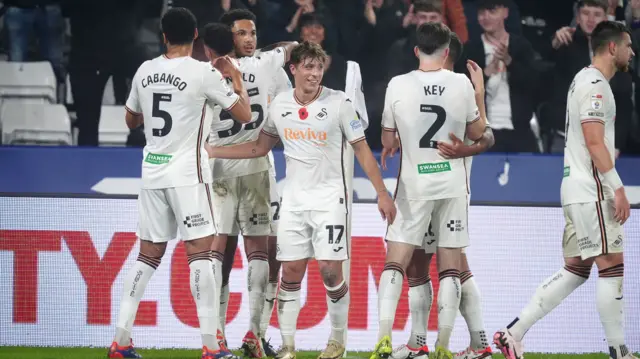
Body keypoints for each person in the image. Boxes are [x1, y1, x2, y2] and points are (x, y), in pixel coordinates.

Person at [207, 41, 396, 359]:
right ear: (292, 69)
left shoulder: (339, 104)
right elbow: (258, 147)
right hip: (293, 201)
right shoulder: (279, 104)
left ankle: (337, 341)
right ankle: (288, 347)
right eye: (308, 66)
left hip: (330, 200)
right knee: (290, 270)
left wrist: (381, 192)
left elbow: (362, 149)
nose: (314, 73)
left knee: (329, 270)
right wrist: (214, 151)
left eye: (319, 67)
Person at [107, 7, 252, 359]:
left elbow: (130, 120)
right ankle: (210, 346)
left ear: (163, 36)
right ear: (196, 35)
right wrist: (234, 76)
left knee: (146, 255)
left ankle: (120, 341)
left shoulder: (145, 70)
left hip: (153, 172)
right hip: (188, 174)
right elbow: (245, 115)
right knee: (201, 255)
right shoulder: (203, 73)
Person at [494, 21, 636, 359]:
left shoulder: (582, 80)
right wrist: (617, 187)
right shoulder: (596, 86)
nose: (633, 51)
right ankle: (619, 351)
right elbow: (593, 140)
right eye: (628, 45)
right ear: (612, 48)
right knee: (612, 265)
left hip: (574, 187)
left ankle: (513, 333)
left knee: (576, 269)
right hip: (592, 189)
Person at [372, 22, 486, 359]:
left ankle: (385, 340)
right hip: (451, 187)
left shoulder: (399, 84)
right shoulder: (462, 85)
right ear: (447, 51)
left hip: (415, 186)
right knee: (445, 267)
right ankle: (437, 346)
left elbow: (388, 139)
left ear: (416, 50)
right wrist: (477, 95)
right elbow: (481, 132)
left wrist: (395, 143)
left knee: (399, 262)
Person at [208, 9, 297, 357]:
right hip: (256, 167)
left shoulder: (207, 73)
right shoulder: (266, 65)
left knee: (222, 252)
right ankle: (254, 334)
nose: (249, 39)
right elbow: (291, 47)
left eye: (253, 33)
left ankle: (224, 336)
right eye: (242, 33)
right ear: (229, 37)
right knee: (260, 251)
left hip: (218, 167)